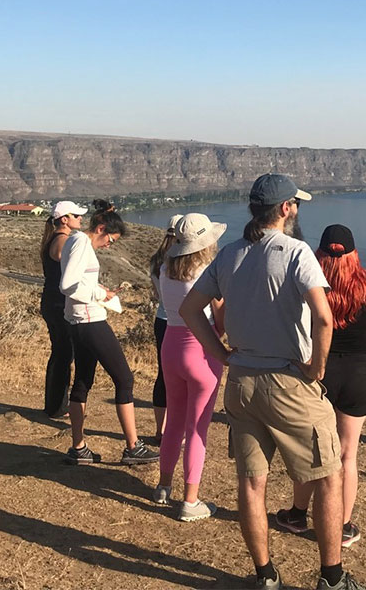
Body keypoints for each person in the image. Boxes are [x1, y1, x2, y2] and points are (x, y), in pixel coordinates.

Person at [181, 173, 366, 590]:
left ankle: (265, 575)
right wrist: (316, 368)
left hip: (242, 383)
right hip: (287, 381)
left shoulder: (230, 254)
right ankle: (332, 578)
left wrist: (220, 354)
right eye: (296, 204)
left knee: (252, 483)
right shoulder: (295, 252)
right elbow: (323, 317)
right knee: (328, 477)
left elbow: (189, 308)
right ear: (286, 209)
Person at [276, 224, 366, 549]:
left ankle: (297, 515)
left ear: (319, 252)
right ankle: (344, 525)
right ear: (353, 253)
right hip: (360, 373)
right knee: (348, 454)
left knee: (314, 450)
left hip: (318, 371)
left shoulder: (308, 283)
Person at [59, 199, 159, 466]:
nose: (109, 246)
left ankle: (78, 447)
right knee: (124, 379)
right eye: (110, 240)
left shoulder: (74, 241)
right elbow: (67, 285)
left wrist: (101, 289)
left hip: (77, 321)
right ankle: (132, 447)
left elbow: (78, 280)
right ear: (101, 228)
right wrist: (100, 293)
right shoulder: (81, 242)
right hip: (90, 321)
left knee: (82, 382)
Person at [152, 213, 227, 522]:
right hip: (201, 351)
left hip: (171, 345)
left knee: (174, 423)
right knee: (197, 428)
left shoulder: (164, 269)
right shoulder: (208, 274)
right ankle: (191, 500)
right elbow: (219, 322)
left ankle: (163, 486)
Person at [39, 200, 88, 418]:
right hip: (58, 303)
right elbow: (67, 266)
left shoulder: (55, 238)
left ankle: (56, 404)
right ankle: (57, 407)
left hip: (53, 301)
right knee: (63, 353)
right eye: (77, 216)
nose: (81, 219)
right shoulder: (62, 241)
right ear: (64, 219)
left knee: (60, 353)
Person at [146, 213, 184, 444]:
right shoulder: (182, 261)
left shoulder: (156, 261)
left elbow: (157, 293)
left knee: (164, 375)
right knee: (184, 379)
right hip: (184, 324)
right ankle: (178, 431)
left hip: (162, 320)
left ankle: (160, 430)